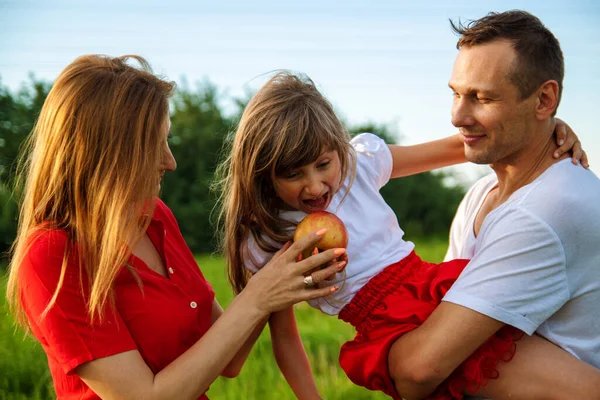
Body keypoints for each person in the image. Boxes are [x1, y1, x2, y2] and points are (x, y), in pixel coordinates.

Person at [214, 70, 592, 400]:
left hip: (440, 295)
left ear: (336, 151)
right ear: (262, 173)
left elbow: (455, 149)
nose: (314, 187)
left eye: (322, 164)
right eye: (293, 175)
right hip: (392, 330)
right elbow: (284, 337)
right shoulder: (269, 238)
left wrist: (544, 134)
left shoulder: (356, 167)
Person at [5, 54, 346, 400]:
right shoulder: (51, 256)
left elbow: (229, 359)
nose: (170, 162)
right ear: (108, 154)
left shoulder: (153, 216)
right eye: (154, 146)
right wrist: (258, 298)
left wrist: (276, 273)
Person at [388, 10, 600, 400]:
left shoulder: (546, 211)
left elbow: (418, 370)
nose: (457, 116)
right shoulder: (481, 194)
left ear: (545, 99)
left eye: (482, 97)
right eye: (455, 92)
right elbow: (437, 310)